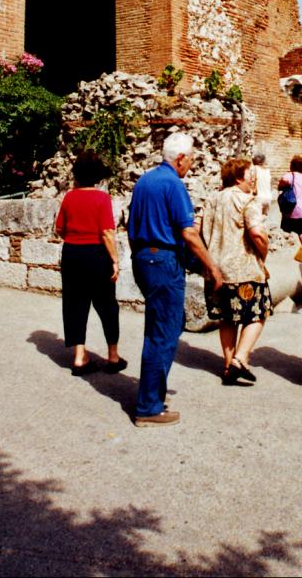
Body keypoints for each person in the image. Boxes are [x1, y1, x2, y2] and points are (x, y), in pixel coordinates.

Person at [127, 132, 223, 426]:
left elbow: (132, 226)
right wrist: (212, 268)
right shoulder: (173, 184)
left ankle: (151, 394)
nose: (192, 164)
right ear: (180, 158)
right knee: (163, 333)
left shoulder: (144, 181)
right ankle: (149, 407)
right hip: (163, 261)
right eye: (191, 158)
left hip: (144, 258)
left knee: (161, 326)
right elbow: (188, 232)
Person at [201, 158, 271, 385]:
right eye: (251, 174)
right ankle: (240, 359)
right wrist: (264, 253)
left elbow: (198, 227)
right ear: (239, 177)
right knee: (258, 314)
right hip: (244, 270)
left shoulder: (212, 199)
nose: (253, 178)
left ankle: (228, 365)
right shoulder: (247, 201)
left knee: (227, 318)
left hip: (216, 270)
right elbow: (257, 234)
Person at [56, 150, 125, 376]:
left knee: (75, 304)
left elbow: (60, 229)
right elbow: (107, 232)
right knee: (107, 305)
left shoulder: (69, 197)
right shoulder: (102, 198)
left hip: (73, 254)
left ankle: (79, 356)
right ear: (97, 176)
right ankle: (113, 355)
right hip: (96, 254)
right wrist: (115, 260)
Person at [278, 155, 302, 234]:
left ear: (291, 166)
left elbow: (281, 184)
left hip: (294, 210)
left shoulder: (289, 175)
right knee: (301, 233)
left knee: (286, 233)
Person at [251, 152, 272, 216]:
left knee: (256, 220)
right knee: (264, 218)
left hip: (259, 197)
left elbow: (252, 182)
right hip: (268, 197)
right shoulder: (268, 171)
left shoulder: (254, 169)